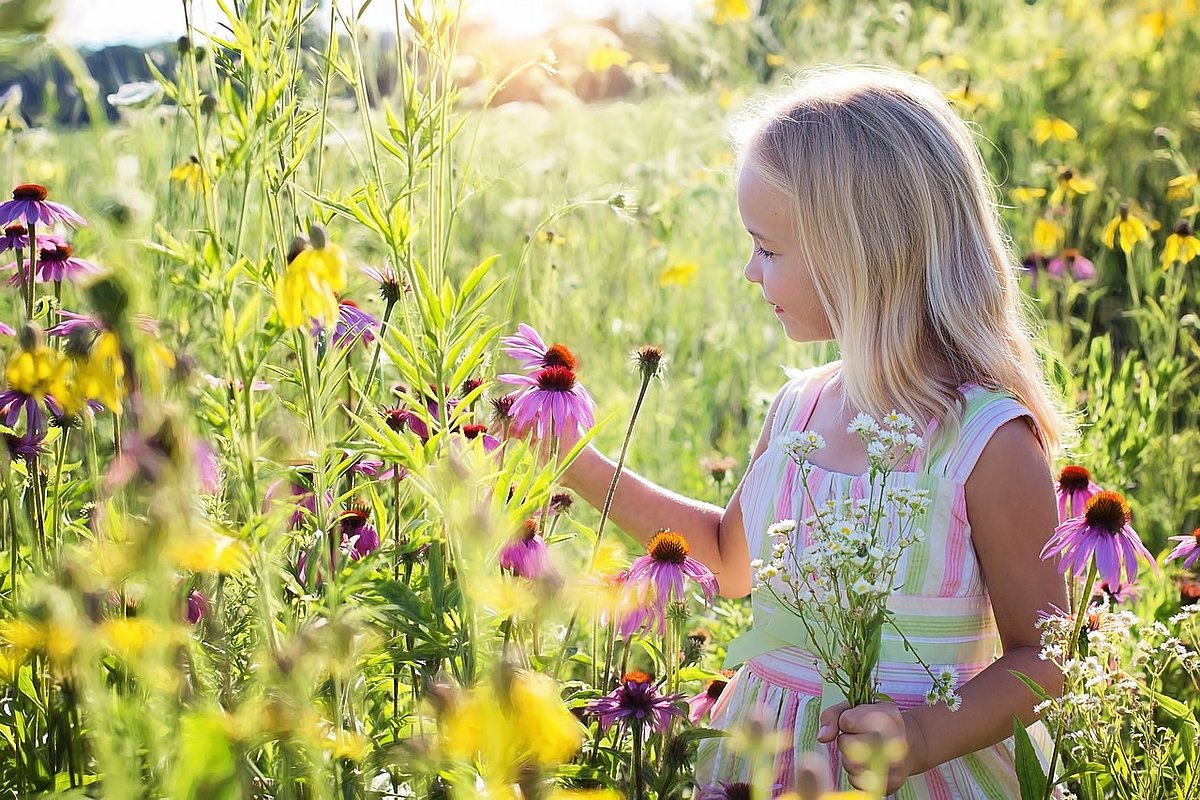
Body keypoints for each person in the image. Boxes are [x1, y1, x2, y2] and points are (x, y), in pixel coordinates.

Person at [558, 65, 1072, 798]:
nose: (748, 270)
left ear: (862, 257)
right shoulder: (798, 409)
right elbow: (730, 563)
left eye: (768, 249)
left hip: (922, 774)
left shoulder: (985, 443)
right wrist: (576, 463)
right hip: (761, 760)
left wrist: (923, 735)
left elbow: (1044, 660)